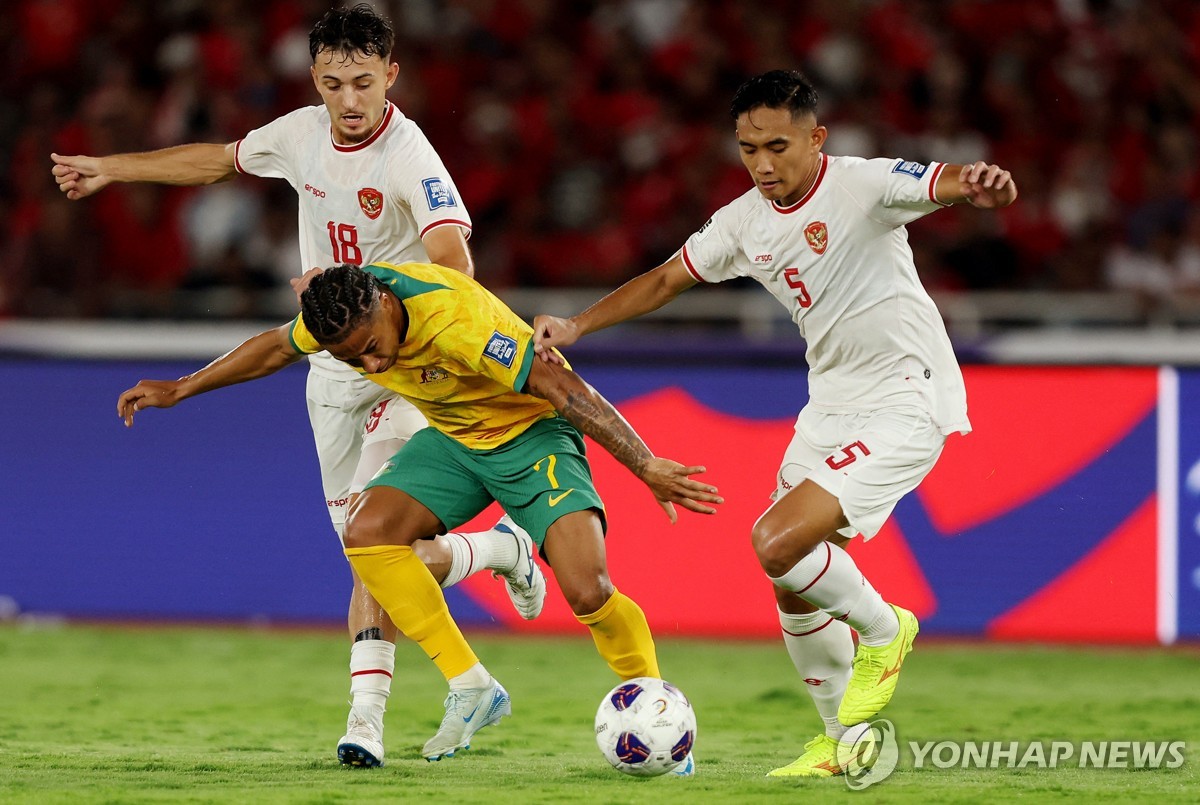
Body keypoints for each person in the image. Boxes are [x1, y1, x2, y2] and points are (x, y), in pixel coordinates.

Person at [53, 4, 544, 768]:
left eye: (361, 83)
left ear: (391, 76)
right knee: (383, 553)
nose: (348, 101)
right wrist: (113, 169)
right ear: (315, 80)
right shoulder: (299, 133)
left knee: (368, 544)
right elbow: (217, 160)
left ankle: (367, 720)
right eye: (331, 83)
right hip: (328, 372)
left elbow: (456, 266)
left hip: (400, 368)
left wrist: (366, 287)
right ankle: (497, 552)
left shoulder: (411, 156)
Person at [532, 69, 1018, 778]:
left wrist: (980, 187)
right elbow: (668, 277)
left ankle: (887, 629)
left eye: (778, 146)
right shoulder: (743, 222)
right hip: (830, 404)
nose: (762, 163)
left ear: (817, 138)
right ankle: (841, 742)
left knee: (774, 539)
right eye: (748, 147)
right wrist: (578, 323)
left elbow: (945, 182)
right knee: (791, 579)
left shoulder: (863, 183)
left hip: (907, 395)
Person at [118, 261, 721, 769]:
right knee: (367, 532)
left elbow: (563, 390)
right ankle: (472, 686)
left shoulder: (459, 321)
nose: (374, 369)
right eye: (354, 362)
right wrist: (181, 388)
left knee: (588, 591)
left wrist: (643, 465)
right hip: (455, 443)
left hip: (532, 438)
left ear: (383, 303)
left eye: (373, 349)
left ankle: (657, 711)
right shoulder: (341, 314)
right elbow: (275, 348)